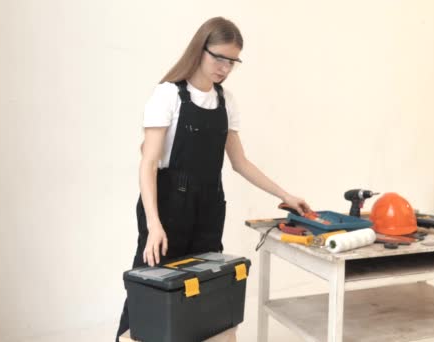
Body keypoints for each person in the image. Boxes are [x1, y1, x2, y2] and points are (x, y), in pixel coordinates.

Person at [116, 16, 311, 341]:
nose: (224, 67)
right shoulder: (168, 96)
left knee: (203, 296)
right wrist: (154, 225)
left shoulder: (226, 101)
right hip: (167, 210)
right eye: (218, 57)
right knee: (148, 295)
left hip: (208, 210)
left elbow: (240, 162)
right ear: (200, 49)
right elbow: (148, 164)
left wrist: (285, 194)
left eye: (232, 61)